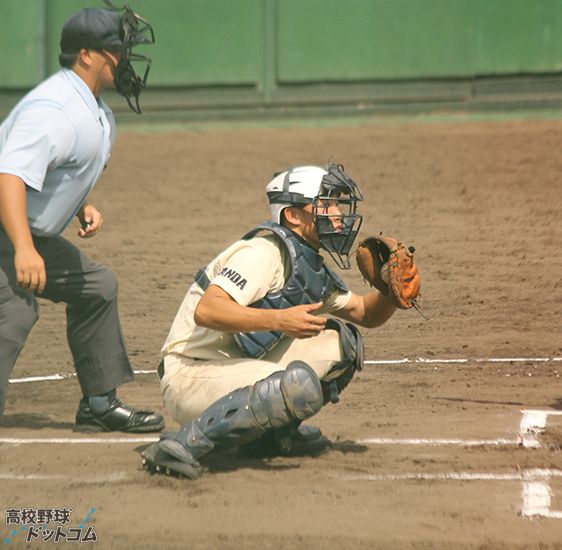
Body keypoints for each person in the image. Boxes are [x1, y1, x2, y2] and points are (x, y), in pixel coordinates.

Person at [142, 164, 420, 478]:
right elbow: (207, 311)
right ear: (294, 215)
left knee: (342, 344)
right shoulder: (263, 252)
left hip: (232, 367)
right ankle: (182, 444)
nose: (338, 214)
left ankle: (270, 438)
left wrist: (389, 288)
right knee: (292, 385)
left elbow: (365, 313)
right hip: (189, 376)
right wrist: (279, 320)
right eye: (325, 204)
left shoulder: (309, 266)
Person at [0, 5, 164, 433]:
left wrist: (76, 204)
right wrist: (23, 249)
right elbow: (9, 176)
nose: (124, 60)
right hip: (8, 228)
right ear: (87, 55)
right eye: (117, 50)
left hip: (19, 228)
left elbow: (52, 171)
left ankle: (98, 403)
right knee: (14, 310)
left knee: (97, 287)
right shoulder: (55, 109)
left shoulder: (92, 107)